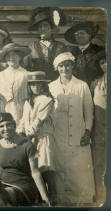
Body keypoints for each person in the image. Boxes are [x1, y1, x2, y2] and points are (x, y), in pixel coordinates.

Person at [49, 52, 95, 204]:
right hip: (58, 135)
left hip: (78, 134)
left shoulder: (82, 85)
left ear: (72, 66)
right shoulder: (51, 86)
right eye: (61, 66)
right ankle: (62, 201)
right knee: (61, 170)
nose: (65, 68)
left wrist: (87, 131)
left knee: (79, 170)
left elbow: (89, 111)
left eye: (68, 65)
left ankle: (83, 202)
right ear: (57, 68)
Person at [17, 71, 56, 204]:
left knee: (46, 169)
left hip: (43, 139)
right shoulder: (28, 101)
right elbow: (23, 120)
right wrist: (19, 132)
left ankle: (51, 201)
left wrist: (27, 135)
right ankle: (39, 200)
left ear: (44, 85)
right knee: (34, 170)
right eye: (33, 85)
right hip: (30, 140)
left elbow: (39, 121)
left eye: (39, 85)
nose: (36, 87)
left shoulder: (47, 100)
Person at [0, 112, 50, 206]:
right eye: (1, 126)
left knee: (2, 198)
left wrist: (45, 197)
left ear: (14, 125)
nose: (6, 129)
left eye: (9, 125)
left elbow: (35, 172)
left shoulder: (27, 145)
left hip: (24, 188)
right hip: (4, 185)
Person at [0, 43, 30, 129]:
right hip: (3, 111)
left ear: (19, 57)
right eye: (8, 56)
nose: (11, 58)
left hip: (20, 111)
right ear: (5, 59)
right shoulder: (0, 75)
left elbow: (29, 99)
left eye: (15, 55)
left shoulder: (26, 74)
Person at [27, 7, 66, 81]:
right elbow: (28, 67)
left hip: (57, 83)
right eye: (40, 26)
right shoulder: (32, 47)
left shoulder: (61, 46)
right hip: (38, 85)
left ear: (51, 28)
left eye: (45, 25)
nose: (42, 29)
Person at [65, 21, 105, 86]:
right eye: (76, 34)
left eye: (82, 33)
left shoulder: (99, 51)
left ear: (89, 35)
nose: (79, 36)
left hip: (96, 87)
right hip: (75, 87)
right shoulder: (71, 53)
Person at [90, 51, 107, 205]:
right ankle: (100, 197)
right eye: (102, 63)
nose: (105, 65)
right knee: (99, 165)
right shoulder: (95, 83)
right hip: (100, 132)